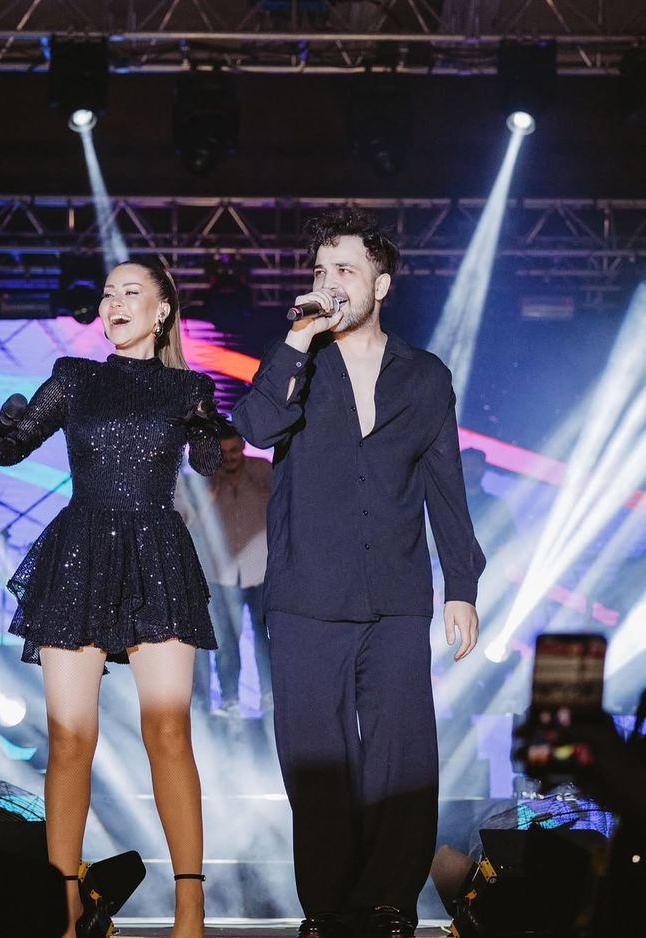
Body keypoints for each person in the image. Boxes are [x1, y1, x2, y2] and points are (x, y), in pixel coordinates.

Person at [231, 207, 486, 938]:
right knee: (316, 760)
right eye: (320, 270)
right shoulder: (297, 363)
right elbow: (254, 426)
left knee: (401, 759)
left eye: (344, 269)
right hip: (307, 593)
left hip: (397, 596)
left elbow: (445, 484)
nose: (330, 281)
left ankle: (388, 901)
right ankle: (327, 905)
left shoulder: (424, 376)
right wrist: (296, 339)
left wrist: (461, 587)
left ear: (381, 284)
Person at [0, 258, 223, 938]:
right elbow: (15, 446)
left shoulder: (187, 386)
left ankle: (190, 909)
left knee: (167, 730)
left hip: (156, 554)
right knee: (68, 736)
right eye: (109, 293)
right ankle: (64, 905)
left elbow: (210, 461)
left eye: (131, 292)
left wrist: (211, 427)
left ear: (162, 310)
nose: (115, 303)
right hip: (79, 553)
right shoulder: (74, 377)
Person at [179, 426, 273, 717]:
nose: (230, 458)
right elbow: (188, 527)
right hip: (221, 575)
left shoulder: (261, 470)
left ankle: (270, 695)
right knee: (225, 640)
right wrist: (208, 499)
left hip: (260, 571)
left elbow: (281, 510)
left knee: (264, 637)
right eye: (224, 453)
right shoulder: (203, 479)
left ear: (243, 446)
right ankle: (230, 698)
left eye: (235, 451)